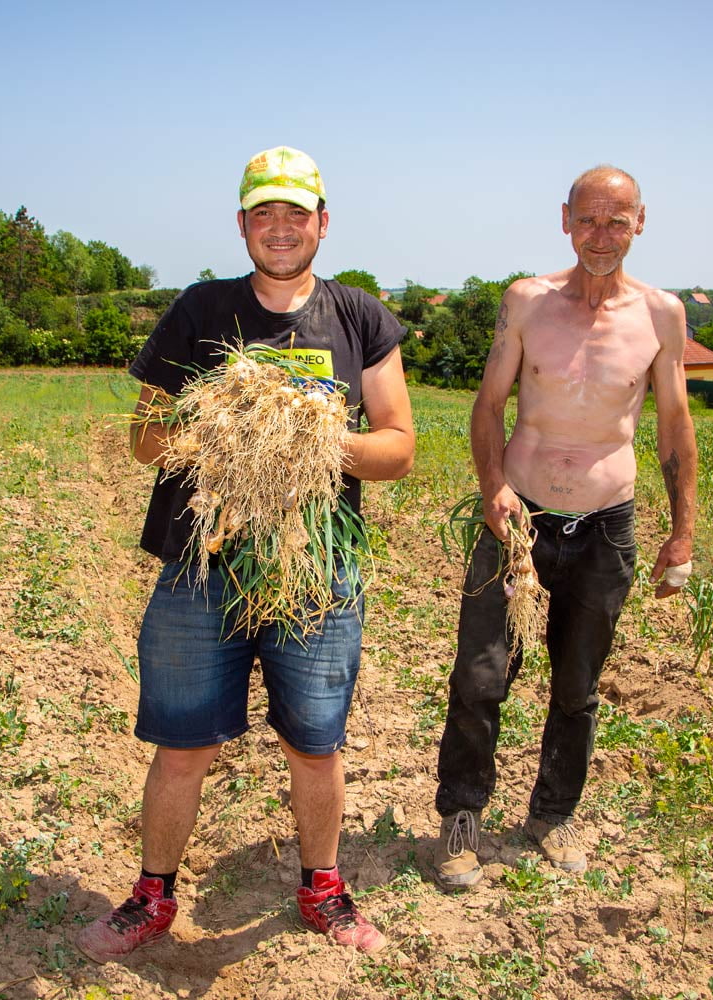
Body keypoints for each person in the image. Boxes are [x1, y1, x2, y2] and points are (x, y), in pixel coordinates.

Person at [75, 146, 415, 962]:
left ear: (323, 225)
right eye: (264, 214)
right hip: (202, 565)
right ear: (242, 225)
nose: (280, 229)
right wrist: (233, 433)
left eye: (296, 214)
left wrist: (310, 439)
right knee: (185, 741)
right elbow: (145, 439)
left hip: (312, 569)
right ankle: (152, 894)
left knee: (315, 741)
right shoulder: (199, 311)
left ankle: (323, 887)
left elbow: (398, 446)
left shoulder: (360, 316)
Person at [431, 165, 697, 889]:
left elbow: (673, 424)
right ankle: (461, 817)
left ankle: (553, 814)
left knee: (577, 685)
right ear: (564, 220)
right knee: (481, 675)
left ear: (641, 221)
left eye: (617, 221)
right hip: (519, 520)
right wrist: (493, 489)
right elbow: (489, 405)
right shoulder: (527, 302)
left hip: (606, 524)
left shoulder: (662, 315)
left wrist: (682, 533)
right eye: (588, 220)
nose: (601, 236)